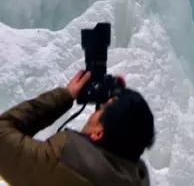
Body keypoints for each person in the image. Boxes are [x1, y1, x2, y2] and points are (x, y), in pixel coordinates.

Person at [0, 70, 154, 185]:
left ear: (98, 133)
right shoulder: (134, 179)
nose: (95, 111)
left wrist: (65, 95)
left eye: (100, 110)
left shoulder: (60, 164)